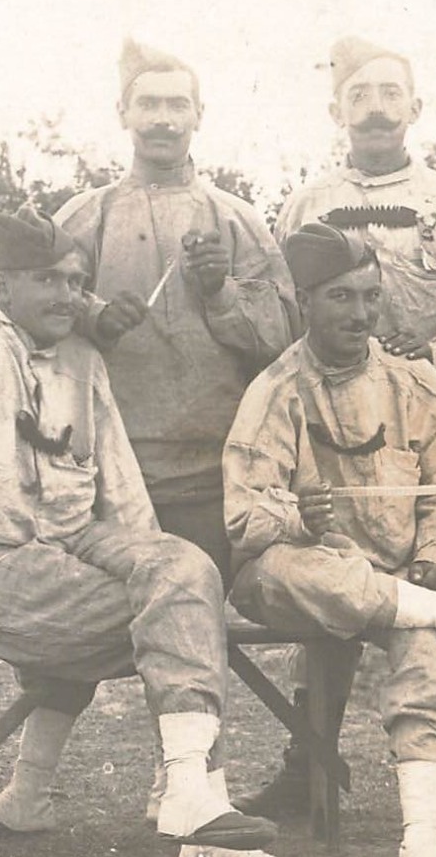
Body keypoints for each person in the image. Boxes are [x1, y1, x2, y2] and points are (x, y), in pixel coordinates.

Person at [0, 205, 304, 857]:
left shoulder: (81, 359)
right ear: (3, 285)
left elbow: (119, 477)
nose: (65, 296)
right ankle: (199, 815)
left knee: (186, 570)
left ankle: (169, 792)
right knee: (182, 616)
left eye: (76, 281)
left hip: (73, 543)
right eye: (46, 279)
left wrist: (155, 557)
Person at [245, 35, 436, 839]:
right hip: (328, 417)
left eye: (389, 92)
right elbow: (278, 309)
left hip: (427, 419)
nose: (374, 106)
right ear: (337, 110)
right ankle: (309, 765)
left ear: (414, 107)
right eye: (358, 93)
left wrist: (425, 359)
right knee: (332, 571)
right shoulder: (305, 203)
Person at [223, 221, 436, 857]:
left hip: (400, 583)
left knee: (425, 656)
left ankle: (421, 843)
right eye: (340, 297)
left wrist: (429, 554)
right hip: (306, 576)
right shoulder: (275, 391)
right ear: (304, 300)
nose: (360, 314)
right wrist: (298, 517)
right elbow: (244, 520)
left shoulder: (412, 381)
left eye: (369, 296)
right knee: (281, 569)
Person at [54, 37, 297, 583]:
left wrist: (221, 290)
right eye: (148, 104)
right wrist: (92, 316)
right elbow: (32, 314)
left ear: (199, 115)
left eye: (177, 105)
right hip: (102, 476)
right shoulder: (83, 217)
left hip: (209, 477)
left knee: (198, 620)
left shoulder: (237, 221)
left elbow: (283, 338)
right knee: (81, 633)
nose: (163, 120)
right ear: (123, 113)